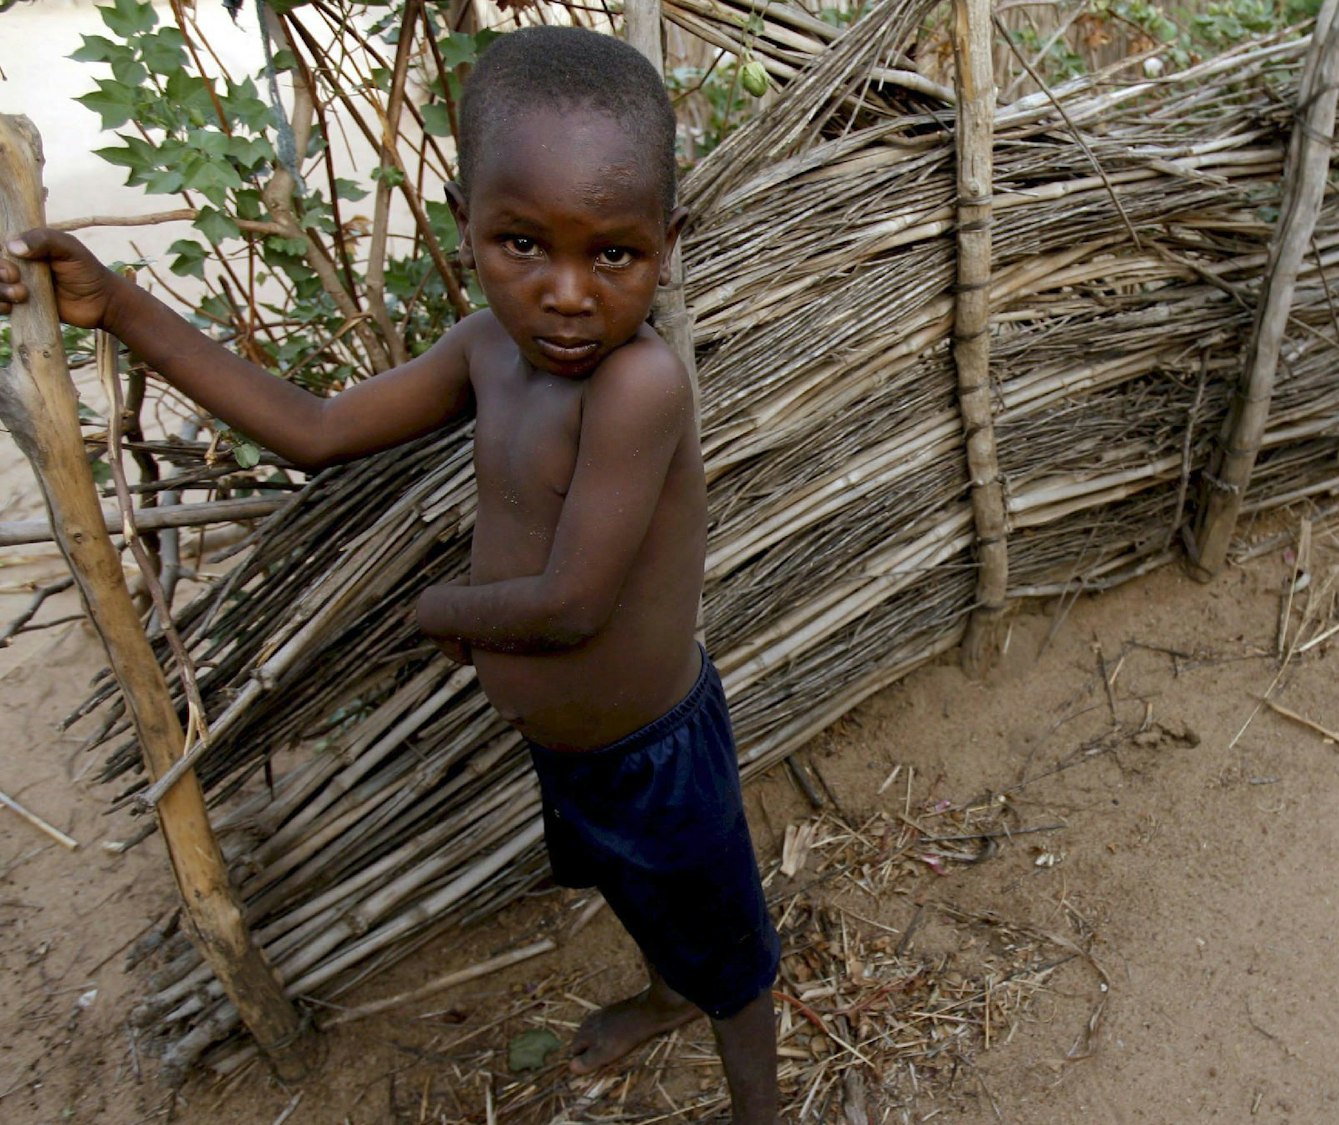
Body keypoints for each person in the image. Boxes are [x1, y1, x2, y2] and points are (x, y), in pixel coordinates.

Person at [0, 26, 780, 1121]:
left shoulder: (637, 385)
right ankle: (664, 995)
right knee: (634, 889)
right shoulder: (484, 351)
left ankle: (757, 1104)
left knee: (731, 956)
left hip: (655, 751)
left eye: (615, 255)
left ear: (668, 243)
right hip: (568, 748)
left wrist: (436, 609)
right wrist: (121, 305)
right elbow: (315, 431)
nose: (567, 293)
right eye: (523, 244)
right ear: (465, 221)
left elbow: (571, 604)